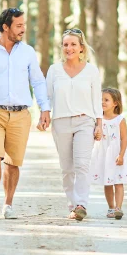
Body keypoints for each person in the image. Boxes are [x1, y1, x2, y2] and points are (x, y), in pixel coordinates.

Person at [0, 8, 51, 220]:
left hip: (20, 114)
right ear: (5, 27)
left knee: (13, 162)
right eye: (18, 25)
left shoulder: (27, 52)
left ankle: (8, 204)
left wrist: (45, 108)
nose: (23, 29)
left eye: (23, 25)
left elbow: (38, 81)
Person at [41, 28, 102, 221]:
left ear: (81, 47)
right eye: (66, 44)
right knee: (67, 168)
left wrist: (99, 124)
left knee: (82, 165)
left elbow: (97, 99)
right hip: (61, 122)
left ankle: (81, 203)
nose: (69, 48)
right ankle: (72, 204)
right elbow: (46, 97)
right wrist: (44, 114)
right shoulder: (54, 70)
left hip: (85, 121)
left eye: (73, 44)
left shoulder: (91, 70)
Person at [89, 88, 127, 220]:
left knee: (118, 182)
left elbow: (124, 139)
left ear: (115, 103)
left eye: (106, 100)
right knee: (107, 182)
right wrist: (96, 135)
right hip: (103, 153)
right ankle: (111, 207)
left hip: (116, 153)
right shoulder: (98, 120)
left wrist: (121, 155)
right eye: (101, 100)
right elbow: (95, 137)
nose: (102, 102)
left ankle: (118, 208)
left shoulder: (120, 119)